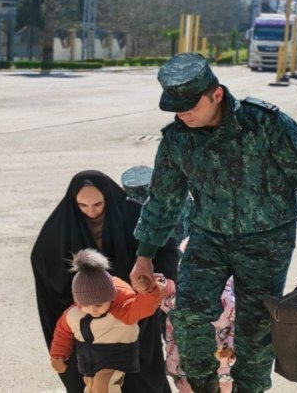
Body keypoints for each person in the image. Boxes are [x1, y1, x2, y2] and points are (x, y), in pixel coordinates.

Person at [130, 53, 297, 393]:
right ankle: (203, 389)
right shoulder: (176, 138)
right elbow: (165, 199)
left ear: (216, 94)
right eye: (176, 108)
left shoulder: (266, 124)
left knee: (255, 333)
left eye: (190, 106)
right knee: (188, 316)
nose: (183, 114)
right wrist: (144, 254)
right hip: (208, 236)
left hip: (267, 240)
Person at [31, 170, 179, 393]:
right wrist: (81, 297)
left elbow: (165, 247)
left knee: (144, 377)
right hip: (91, 318)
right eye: (83, 206)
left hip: (133, 310)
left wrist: (154, 281)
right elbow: (43, 261)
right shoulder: (62, 224)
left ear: (108, 197)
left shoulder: (132, 214)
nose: (91, 212)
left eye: (98, 204)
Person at [121, 165, 235, 393]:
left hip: (186, 285)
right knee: (180, 349)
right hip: (173, 290)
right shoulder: (181, 200)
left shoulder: (170, 204)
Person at [49, 248, 174, 392]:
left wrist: (148, 291)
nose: (92, 309)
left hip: (117, 356)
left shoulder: (123, 310)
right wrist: (58, 355)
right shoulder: (73, 314)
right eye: (84, 305)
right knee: (91, 387)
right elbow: (62, 334)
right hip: (88, 359)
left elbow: (144, 307)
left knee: (104, 385)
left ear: (111, 297)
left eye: (98, 305)